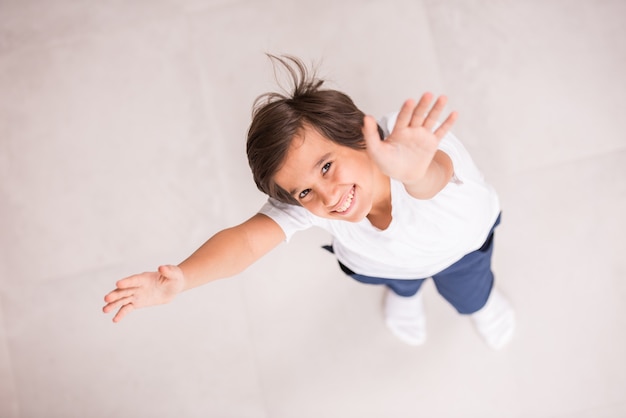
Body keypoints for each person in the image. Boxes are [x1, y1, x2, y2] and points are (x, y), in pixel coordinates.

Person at [103, 55, 515, 349]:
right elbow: (246, 242)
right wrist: (184, 278)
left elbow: (436, 176)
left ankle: (480, 305)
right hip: (377, 261)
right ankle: (404, 295)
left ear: (357, 133)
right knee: (399, 280)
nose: (328, 196)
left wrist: (413, 172)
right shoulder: (309, 202)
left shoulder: (412, 148)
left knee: (469, 292)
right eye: (304, 193)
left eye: (326, 167)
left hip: (460, 253)